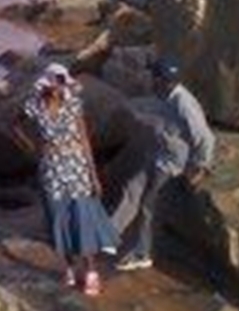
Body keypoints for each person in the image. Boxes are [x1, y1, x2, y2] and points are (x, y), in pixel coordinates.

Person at [22, 62, 118, 296]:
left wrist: (93, 175)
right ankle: (68, 268)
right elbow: (17, 124)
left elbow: (84, 139)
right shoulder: (34, 105)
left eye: (63, 81)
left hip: (76, 167)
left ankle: (91, 271)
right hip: (51, 170)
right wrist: (33, 149)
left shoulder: (73, 104)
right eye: (57, 81)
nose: (60, 86)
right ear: (47, 82)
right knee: (58, 219)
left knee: (82, 218)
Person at [111, 56, 216, 272]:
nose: (150, 78)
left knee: (149, 206)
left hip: (171, 165)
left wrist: (201, 167)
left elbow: (205, 137)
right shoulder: (164, 94)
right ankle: (107, 236)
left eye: (154, 75)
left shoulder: (183, 102)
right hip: (157, 155)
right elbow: (150, 109)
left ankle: (142, 254)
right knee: (131, 187)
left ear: (162, 80)